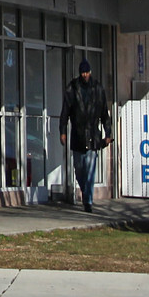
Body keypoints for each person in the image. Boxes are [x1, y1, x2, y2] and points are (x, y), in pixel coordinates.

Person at [59, 59, 110, 213]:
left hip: (93, 135)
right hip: (77, 135)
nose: (85, 75)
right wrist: (62, 131)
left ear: (90, 72)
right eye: (83, 72)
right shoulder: (72, 88)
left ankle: (88, 201)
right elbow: (65, 112)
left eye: (87, 72)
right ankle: (85, 190)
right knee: (79, 169)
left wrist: (108, 133)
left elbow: (104, 113)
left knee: (90, 169)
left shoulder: (98, 88)